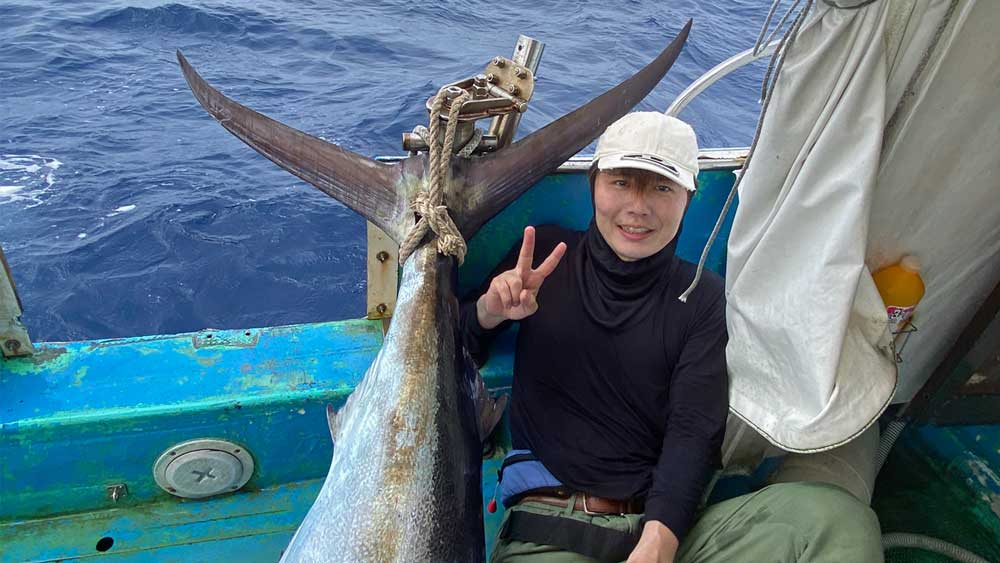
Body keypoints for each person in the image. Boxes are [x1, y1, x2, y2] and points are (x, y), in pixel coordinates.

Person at [461, 112, 884, 563]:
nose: (638, 207)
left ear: (689, 198)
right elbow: (453, 350)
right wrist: (490, 311)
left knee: (837, 518)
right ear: (594, 185)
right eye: (622, 182)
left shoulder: (703, 299)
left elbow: (694, 431)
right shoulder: (544, 254)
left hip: (664, 529)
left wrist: (659, 540)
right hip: (551, 527)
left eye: (662, 188)